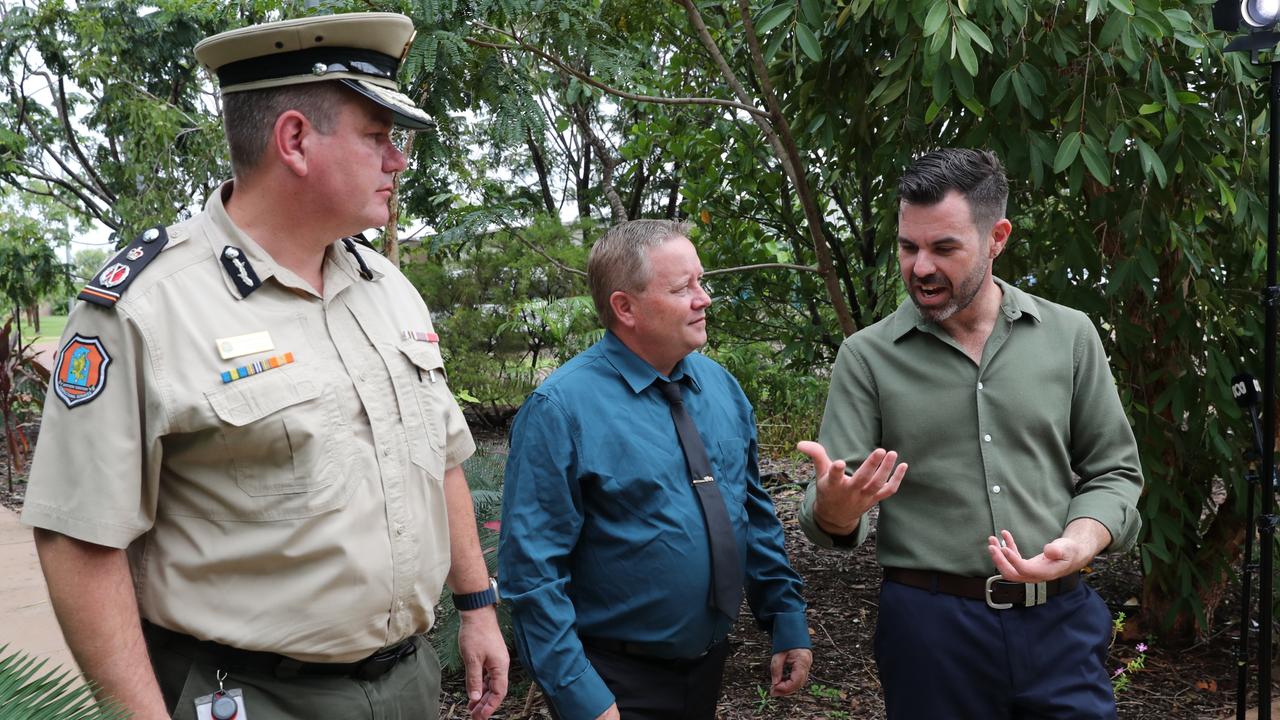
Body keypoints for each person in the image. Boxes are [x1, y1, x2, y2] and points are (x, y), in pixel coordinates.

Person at [20, 12, 507, 720]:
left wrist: (477, 606)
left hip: (408, 684)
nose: (397, 161)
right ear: (295, 140)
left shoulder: (387, 287)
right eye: (378, 137)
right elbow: (76, 535)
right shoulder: (147, 308)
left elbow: (445, 460)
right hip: (251, 696)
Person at [797, 149, 1143, 719]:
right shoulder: (867, 357)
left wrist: (1080, 542)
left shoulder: (1070, 336)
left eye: (944, 248)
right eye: (909, 247)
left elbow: (1115, 471)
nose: (921, 266)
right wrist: (837, 507)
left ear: (997, 237)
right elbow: (830, 511)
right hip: (931, 632)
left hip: (1060, 621)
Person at [498, 220, 812, 720]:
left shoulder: (722, 389)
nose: (703, 298)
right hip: (613, 685)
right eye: (683, 287)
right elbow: (532, 574)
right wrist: (582, 697)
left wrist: (785, 617)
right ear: (625, 307)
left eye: (701, 282)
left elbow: (752, 512)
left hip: (708, 672)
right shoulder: (561, 409)